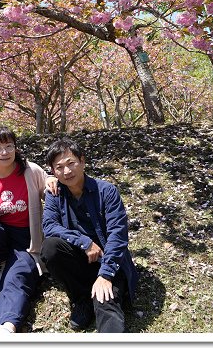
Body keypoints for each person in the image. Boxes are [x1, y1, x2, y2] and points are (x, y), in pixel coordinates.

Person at [41, 138, 139, 333]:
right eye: (59, 167)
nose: (67, 171)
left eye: (71, 163)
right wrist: (85, 242)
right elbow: (49, 226)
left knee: (105, 301)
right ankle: (81, 298)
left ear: (82, 162)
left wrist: (105, 274)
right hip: (80, 258)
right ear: (53, 171)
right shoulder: (55, 193)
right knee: (51, 247)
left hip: (109, 260)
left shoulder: (106, 191)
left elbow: (117, 237)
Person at [0, 126, 48, 333]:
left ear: (15, 148)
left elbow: (48, 185)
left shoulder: (30, 171)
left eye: (9, 146)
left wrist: (52, 181)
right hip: (0, 235)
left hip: (27, 238)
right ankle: (0, 264)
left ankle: (7, 325)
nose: (4, 153)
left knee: (18, 274)